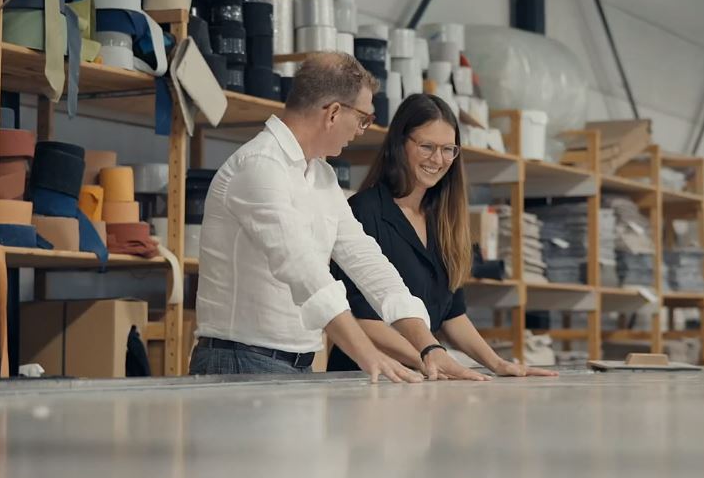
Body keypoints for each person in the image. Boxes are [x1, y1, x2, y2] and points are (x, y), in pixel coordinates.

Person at [191, 52, 488, 382]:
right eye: (362, 119)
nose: (361, 131)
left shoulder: (321, 176)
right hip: (240, 361)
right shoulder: (259, 167)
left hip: (297, 363)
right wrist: (369, 355)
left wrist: (429, 348)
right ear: (333, 113)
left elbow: (368, 262)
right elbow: (305, 274)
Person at [327, 93, 559, 378]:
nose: (438, 159)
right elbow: (359, 318)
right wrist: (430, 356)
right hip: (364, 377)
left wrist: (497, 363)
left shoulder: (443, 220)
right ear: (400, 144)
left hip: (424, 377)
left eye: (448, 149)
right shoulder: (364, 212)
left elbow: (452, 316)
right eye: (427, 146)